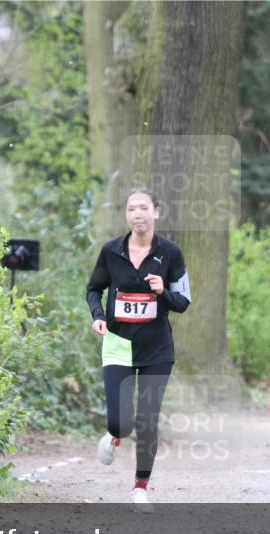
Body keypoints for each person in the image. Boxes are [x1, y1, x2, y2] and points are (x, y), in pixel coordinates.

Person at [86, 188, 191, 508]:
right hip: (118, 343)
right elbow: (93, 289)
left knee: (147, 419)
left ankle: (140, 487)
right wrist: (99, 316)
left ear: (156, 212)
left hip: (156, 348)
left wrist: (161, 292)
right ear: (127, 215)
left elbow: (183, 302)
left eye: (143, 208)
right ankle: (115, 434)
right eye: (132, 209)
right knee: (122, 420)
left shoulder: (170, 253)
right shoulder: (111, 251)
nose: (137, 214)